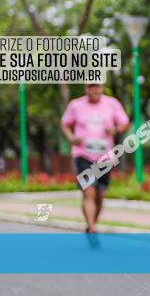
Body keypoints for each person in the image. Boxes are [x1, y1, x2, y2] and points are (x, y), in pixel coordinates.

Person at [60, 82, 130, 234]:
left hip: (105, 156)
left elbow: (124, 123)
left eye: (97, 86)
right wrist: (71, 137)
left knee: (100, 195)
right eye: (91, 87)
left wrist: (115, 129)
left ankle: (92, 222)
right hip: (83, 154)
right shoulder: (76, 105)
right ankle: (92, 228)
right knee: (88, 192)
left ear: (102, 87)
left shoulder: (112, 104)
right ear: (86, 89)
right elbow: (65, 124)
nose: (94, 90)